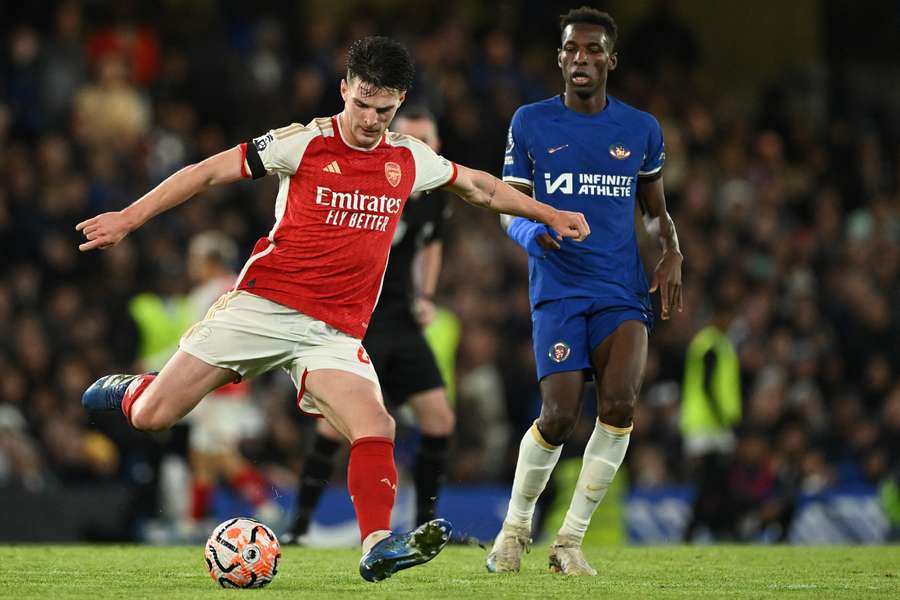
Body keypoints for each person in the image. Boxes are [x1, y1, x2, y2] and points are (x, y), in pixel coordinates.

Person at [76, 36, 590, 582]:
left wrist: (548, 212)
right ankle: (134, 389)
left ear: (399, 104)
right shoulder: (300, 144)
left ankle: (376, 545)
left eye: (384, 109)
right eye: (362, 103)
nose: (370, 119)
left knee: (377, 425)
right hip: (261, 307)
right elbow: (204, 172)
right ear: (344, 89)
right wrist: (129, 218)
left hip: (333, 333)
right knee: (155, 416)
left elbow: (482, 189)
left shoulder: (407, 158)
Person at [487, 8, 683, 576]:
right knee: (558, 415)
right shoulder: (530, 122)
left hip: (620, 291)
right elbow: (506, 205)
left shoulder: (641, 129)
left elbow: (653, 213)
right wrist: (533, 229)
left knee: (620, 405)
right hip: (559, 290)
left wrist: (671, 249)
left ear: (610, 60)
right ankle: (515, 529)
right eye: (573, 49)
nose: (582, 58)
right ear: (560, 58)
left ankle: (569, 541)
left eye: (594, 50)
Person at [284, 107, 456, 544]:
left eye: (428, 140)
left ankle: (423, 528)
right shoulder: (374, 179)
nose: (421, 147)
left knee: (439, 419)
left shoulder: (435, 194)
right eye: (413, 139)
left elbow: (432, 244)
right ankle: (299, 526)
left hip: (404, 320)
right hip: (363, 319)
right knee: (335, 425)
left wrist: (427, 296)